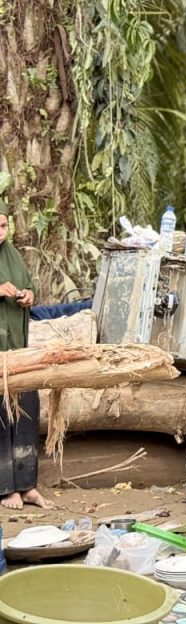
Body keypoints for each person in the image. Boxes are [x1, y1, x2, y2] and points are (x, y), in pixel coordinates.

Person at [0, 198, 53, 510]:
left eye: (4, 225)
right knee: (1, 418)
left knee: (26, 411)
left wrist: (28, 295)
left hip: (18, 352)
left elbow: (28, 286)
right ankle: (6, 489)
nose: (0, 232)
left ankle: (27, 485)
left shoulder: (12, 254)